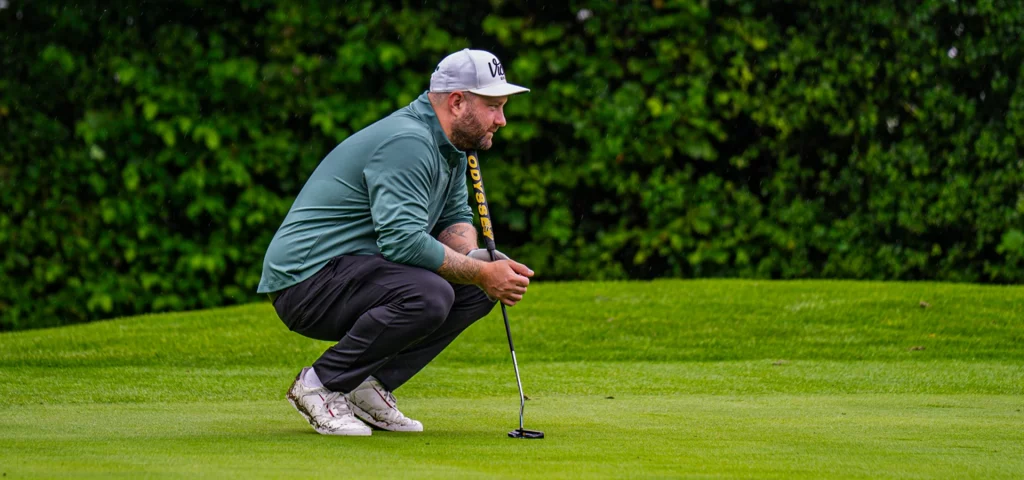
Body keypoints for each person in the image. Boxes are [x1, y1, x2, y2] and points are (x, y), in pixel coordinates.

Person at [257, 49, 535, 436]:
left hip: (353, 272)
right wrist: (480, 270)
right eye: (493, 107)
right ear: (457, 102)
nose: (501, 120)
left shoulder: (451, 147)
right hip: (305, 281)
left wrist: (479, 261)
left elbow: (455, 220)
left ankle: (368, 387)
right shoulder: (409, 141)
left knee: (474, 289)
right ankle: (321, 384)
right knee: (432, 293)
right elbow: (402, 244)